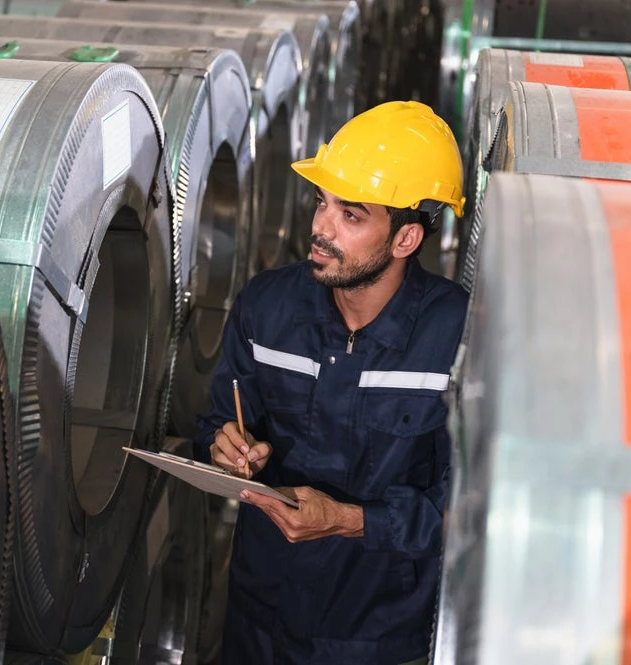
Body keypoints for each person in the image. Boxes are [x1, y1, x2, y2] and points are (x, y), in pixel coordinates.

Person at [194, 100, 469, 665]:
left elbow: (467, 508)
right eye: (322, 202)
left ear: (405, 240)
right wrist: (227, 449)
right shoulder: (266, 307)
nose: (320, 227)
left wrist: (349, 521)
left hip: (375, 639)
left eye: (351, 214)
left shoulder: (456, 338)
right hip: (257, 622)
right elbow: (213, 424)